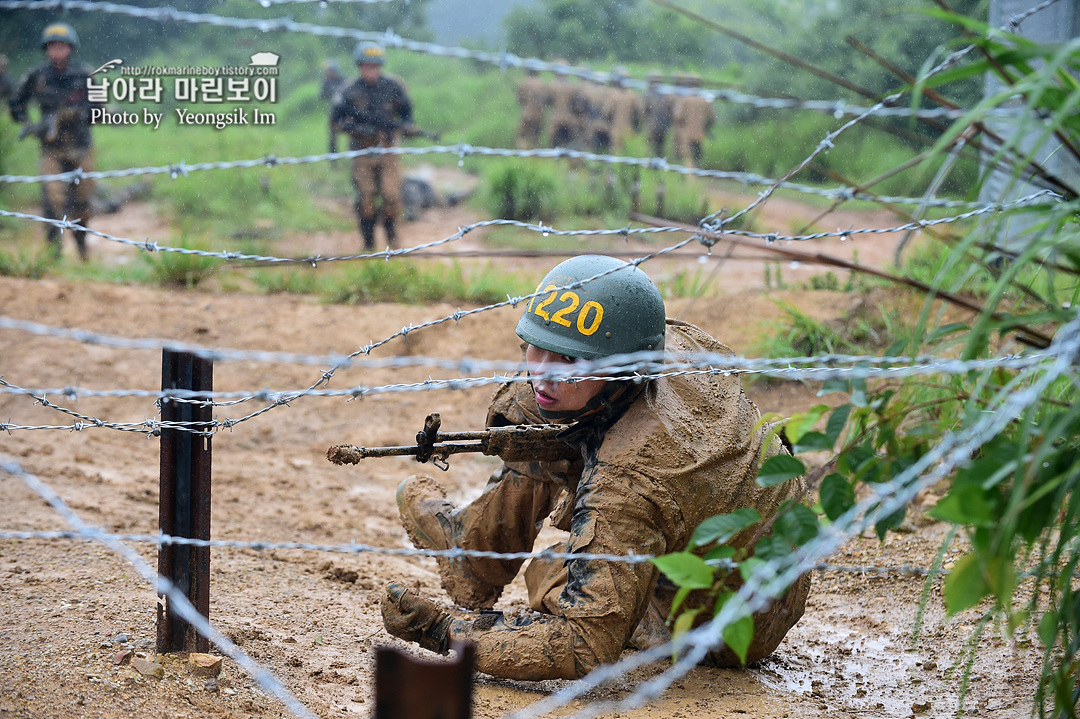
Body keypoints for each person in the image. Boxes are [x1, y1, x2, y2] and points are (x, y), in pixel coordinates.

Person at [381, 255, 811, 681]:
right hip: (754, 563)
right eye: (536, 348)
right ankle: (473, 553)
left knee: (547, 573)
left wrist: (442, 632)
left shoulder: (630, 478)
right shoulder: (667, 346)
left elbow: (583, 646)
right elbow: (547, 376)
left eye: (569, 361)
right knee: (537, 411)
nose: (542, 373)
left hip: (720, 625)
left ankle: (478, 555)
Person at [10, 23, 98, 261]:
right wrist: (29, 124)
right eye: (52, 47)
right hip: (51, 149)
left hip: (81, 146)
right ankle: (53, 256)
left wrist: (76, 114)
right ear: (46, 49)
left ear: (70, 48)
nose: (57, 51)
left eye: (62, 46)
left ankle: (82, 249)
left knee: (82, 202)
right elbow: (17, 103)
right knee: (52, 202)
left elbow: (97, 107)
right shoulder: (37, 75)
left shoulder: (84, 74)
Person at [330, 41, 415, 249]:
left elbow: (406, 113)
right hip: (362, 149)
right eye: (367, 66)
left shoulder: (393, 87)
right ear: (359, 66)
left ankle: (392, 240)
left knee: (391, 196)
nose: (371, 71)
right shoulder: (348, 91)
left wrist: (407, 127)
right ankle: (368, 244)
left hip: (388, 148)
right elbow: (335, 121)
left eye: (375, 66)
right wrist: (354, 128)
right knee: (365, 198)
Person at [672, 74, 715, 169]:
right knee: (697, 155)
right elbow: (712, 118)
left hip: (685, 134)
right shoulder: (704, 100)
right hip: (699, 134)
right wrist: (704, 127)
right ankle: (696, 174)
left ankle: (689, 179)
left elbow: (678, 116)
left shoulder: (683, 100)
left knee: (686, 157)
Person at [515, 68, 551, 150]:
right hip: (539, 115)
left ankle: (524, 155)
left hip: (527, 114)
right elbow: (547, 100)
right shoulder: (542, 84)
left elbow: (520, 100)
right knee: (535, 138)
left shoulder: (524, 83)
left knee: (521, 136)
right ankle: (535, 156)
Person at [642, 71, 674, 160]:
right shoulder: (667, 95)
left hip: (652, 126)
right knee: (660, 148)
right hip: (662, 126)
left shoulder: (647, 95)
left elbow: (643, 111)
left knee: (651, 148)